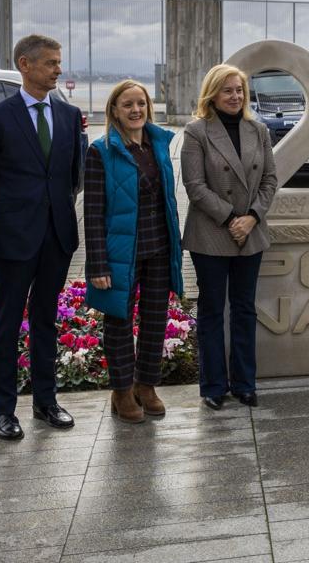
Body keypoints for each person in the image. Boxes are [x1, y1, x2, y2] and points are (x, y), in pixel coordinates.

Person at [0, 34, 83, 440]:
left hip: (56, 236)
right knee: (5, 325)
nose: (58, 69)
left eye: (59, 62)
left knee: (45, 321)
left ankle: (46, 401)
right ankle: (4, 411)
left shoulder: (69, 116)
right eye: (51, 63)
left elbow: (71, 177)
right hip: (12, 239)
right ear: (25, 64)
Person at [83, 80, 183, 423]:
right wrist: (97, 262)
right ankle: (122, 391)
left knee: (155, 320)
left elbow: (167, 201)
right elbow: (92, 213)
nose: (136, 110)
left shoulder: (158, 144)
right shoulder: (101, 151)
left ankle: (146, 385)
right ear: (114, 111)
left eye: (141, 103)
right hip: (120, 252)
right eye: (128, 105)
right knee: (120, 322)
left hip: (158, 247)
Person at [181, 64, 277, 409]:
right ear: (213, 94)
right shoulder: (197, 132)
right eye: (227, 90)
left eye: (239, 90)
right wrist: (231, 217)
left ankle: (245, 383)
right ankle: (212, 387)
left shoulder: (259, 130)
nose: (235, 96)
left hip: (250, 233)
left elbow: (269, 181)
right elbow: (194, 186)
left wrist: (251, 217)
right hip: (210, 233)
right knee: (210, 311)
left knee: (244, 309)